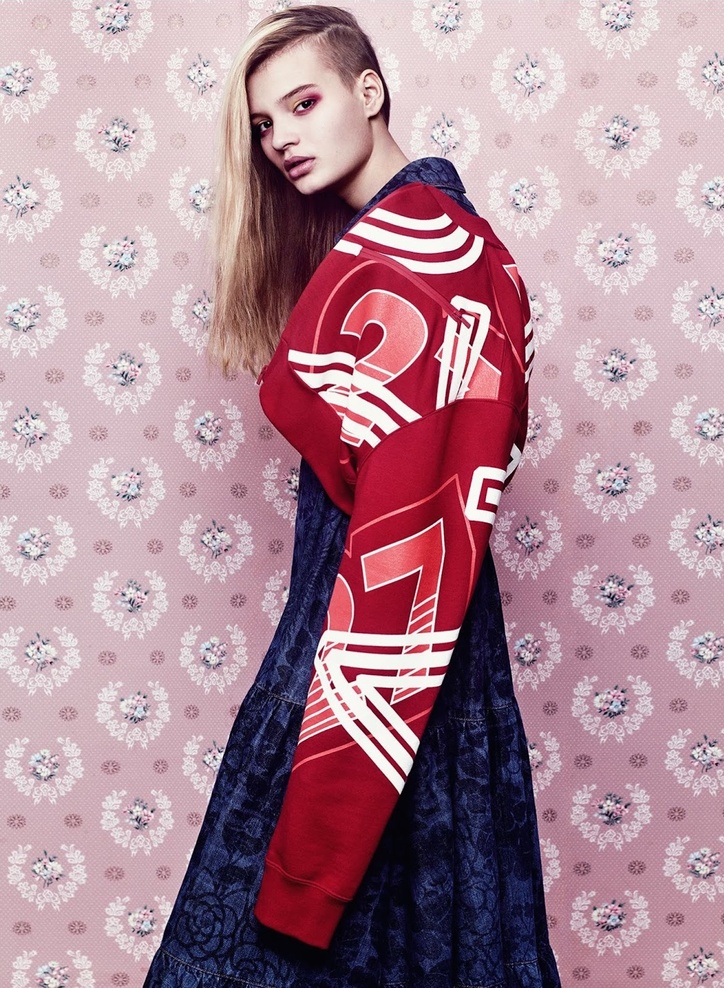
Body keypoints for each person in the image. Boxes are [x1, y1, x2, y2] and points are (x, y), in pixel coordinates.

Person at [143, 6, 561, 987]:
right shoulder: (438, 250)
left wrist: (318, 838)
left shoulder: (424, 262)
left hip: (378, 666)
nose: (280, 139)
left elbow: (410, 538)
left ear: (369, 92)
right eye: (263, 124)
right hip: (408, 662)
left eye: (303, 103)